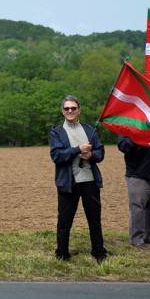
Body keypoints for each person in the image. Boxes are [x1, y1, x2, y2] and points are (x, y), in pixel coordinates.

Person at [48, 95, 107, 262]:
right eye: (66, 108)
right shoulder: (56, 132)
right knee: (64, 221)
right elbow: (57, 155)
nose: (70, 111)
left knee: (94, 219)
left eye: (73, 108)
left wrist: (91, 155)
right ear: (62, 111)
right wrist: (77, 149)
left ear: (78, 110)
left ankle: (98, 251)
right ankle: (62, 253)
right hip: (68, 183)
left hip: (90, 182)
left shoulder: (89, 130)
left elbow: (101, 153)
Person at [116, 136, 150, 249]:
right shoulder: (128, 127)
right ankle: (137, 239)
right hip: (138, 175)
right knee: (138, 208)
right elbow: (124, 146)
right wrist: (139, 134)